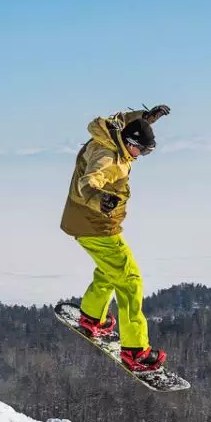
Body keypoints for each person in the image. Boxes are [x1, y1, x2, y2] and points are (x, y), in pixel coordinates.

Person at [59, 104, 171, 373]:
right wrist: (100, 199)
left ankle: (91, 317)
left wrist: (144, 119)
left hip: (89, 222)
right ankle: (135, 351)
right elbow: (86, 183)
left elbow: (120, 121)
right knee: (130, 280)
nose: (140, 156)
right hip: (95, 225)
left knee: (111, 270)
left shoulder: (113, 135)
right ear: (130, 143)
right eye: (141, 150)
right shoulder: (108, 156)